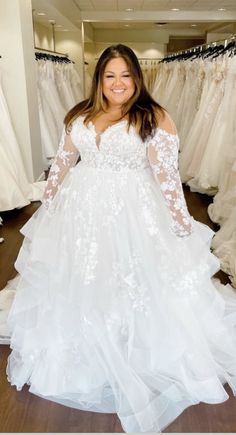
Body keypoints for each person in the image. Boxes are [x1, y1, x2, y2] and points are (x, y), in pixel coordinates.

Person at [6, 44, 236, 433]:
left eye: (126, 75)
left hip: (133, 208)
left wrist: (181, 223)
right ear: (99, 79)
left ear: (137, 79)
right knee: (82, 273)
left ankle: (130, 337)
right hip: (80, 209)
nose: (118, 83)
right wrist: (48, 200)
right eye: (110, 75)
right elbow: (63, 159)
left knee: (132, 274)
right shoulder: (80, 113)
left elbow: (167, 176)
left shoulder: (154, 116)